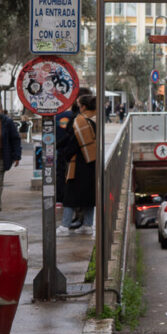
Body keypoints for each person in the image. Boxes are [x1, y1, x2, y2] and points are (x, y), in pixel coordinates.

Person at [56, 87, 91, 234]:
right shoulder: (86, 119)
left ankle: (68, 224)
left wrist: (62, 152)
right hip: (86, 162)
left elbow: (71, 140)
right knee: (86, 195)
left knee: (71, 194)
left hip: (75, 162)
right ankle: (84, 222)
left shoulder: (78, 120)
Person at [62, 94, 98, 236]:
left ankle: (64, 226)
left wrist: (64, 154)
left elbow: (73, 143)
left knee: (69, 197)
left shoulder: (80, 121)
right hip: (93, 162)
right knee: (89, 197)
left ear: (83, 106)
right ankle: (88, 225)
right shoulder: (96, 119)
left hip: (78, 165)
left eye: (78, 104)